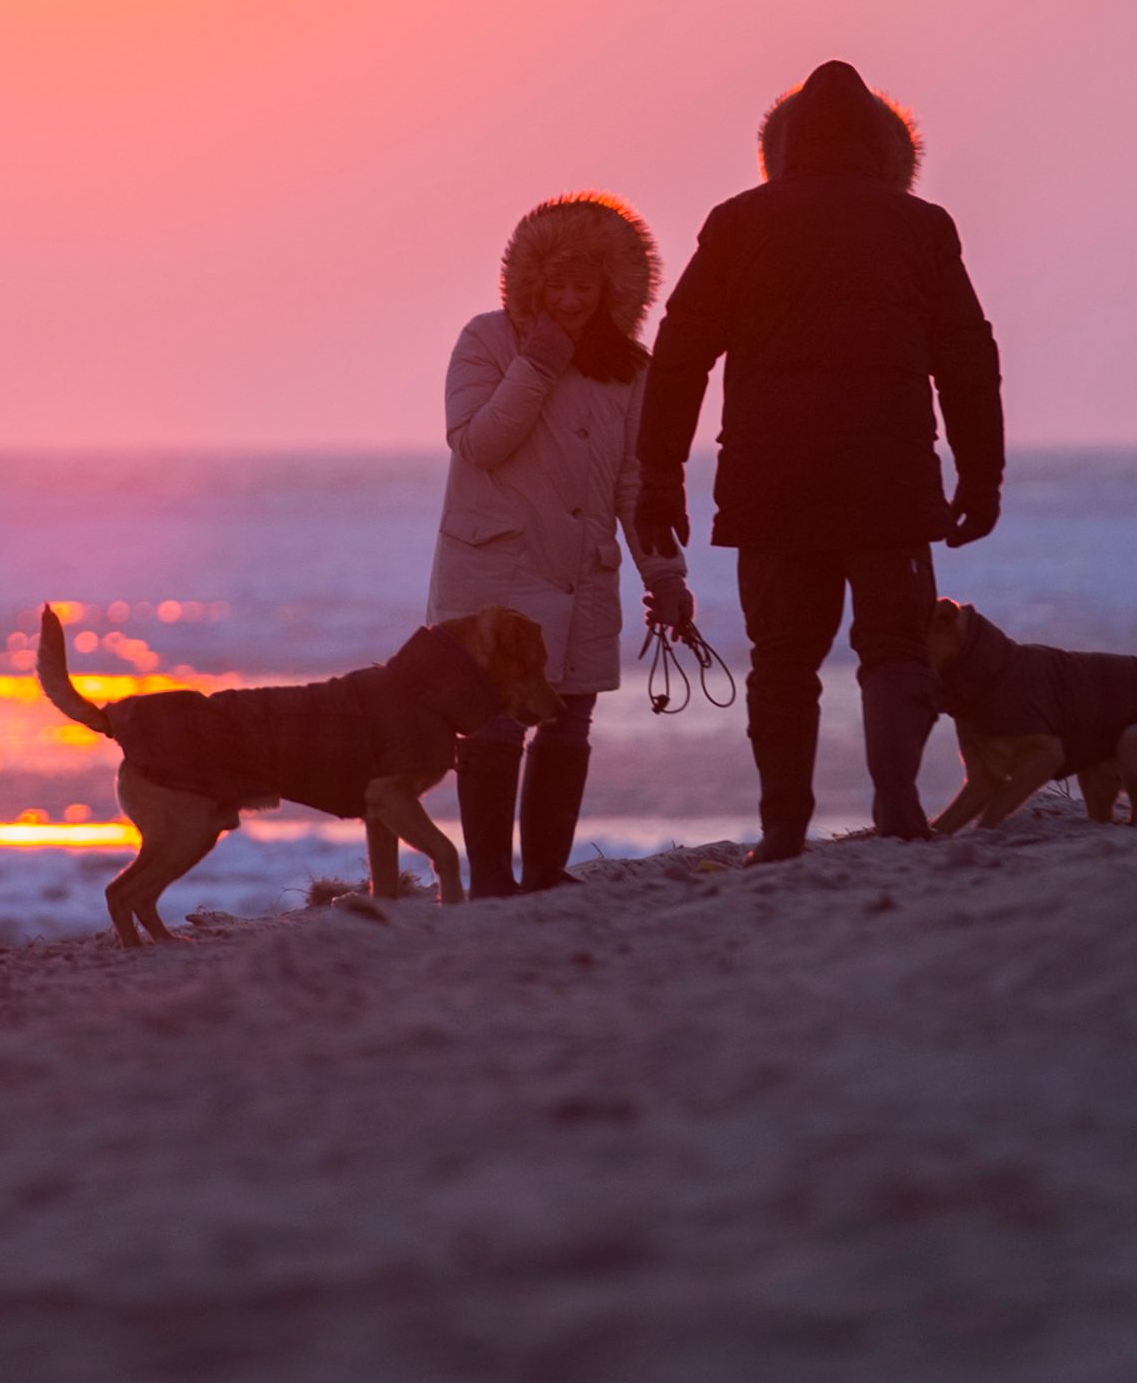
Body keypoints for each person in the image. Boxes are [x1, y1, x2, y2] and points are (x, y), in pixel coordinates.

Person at [632, 61, 1005, 862]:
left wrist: (660, 473)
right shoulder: (919, 227)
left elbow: (678, 359)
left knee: (781, 663)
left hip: (772, 486)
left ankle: (780, 831)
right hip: (891, 483)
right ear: (882, 145)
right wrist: (981, 475)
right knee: (894, 650)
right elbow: (968, 361)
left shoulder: (736, 223)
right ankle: (900, 809)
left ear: (785, 144)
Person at [427, 195, 690, 895]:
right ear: (530, 284)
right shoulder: (486, 340)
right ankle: (488, 879)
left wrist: (664, 573)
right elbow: (478, 443)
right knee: (494, 721)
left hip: (581, 571)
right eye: (557, 285)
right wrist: (537, 364)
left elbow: (635, 481)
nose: (571, 299)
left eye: (585, 286)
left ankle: (545, 872)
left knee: (569, 718)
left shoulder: (629, 367)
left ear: (610, 289)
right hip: (496, 571)